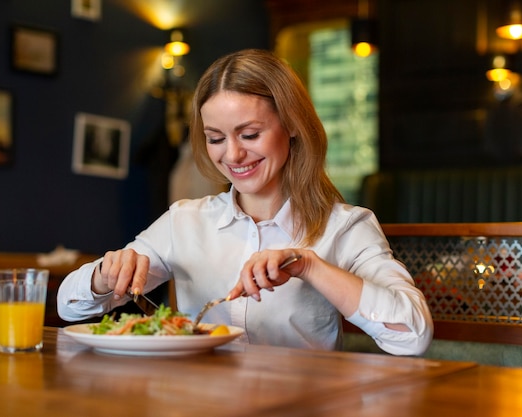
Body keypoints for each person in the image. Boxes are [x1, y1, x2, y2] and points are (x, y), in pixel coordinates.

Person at [57, 49, 433, 356]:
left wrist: (310, 267)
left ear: (293, 124)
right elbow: (69, 307)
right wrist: (105, 275)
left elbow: (413, 335)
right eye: (216, 138)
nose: (233, 155)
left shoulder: (346, 227)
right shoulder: (185, 221)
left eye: (249, 134)